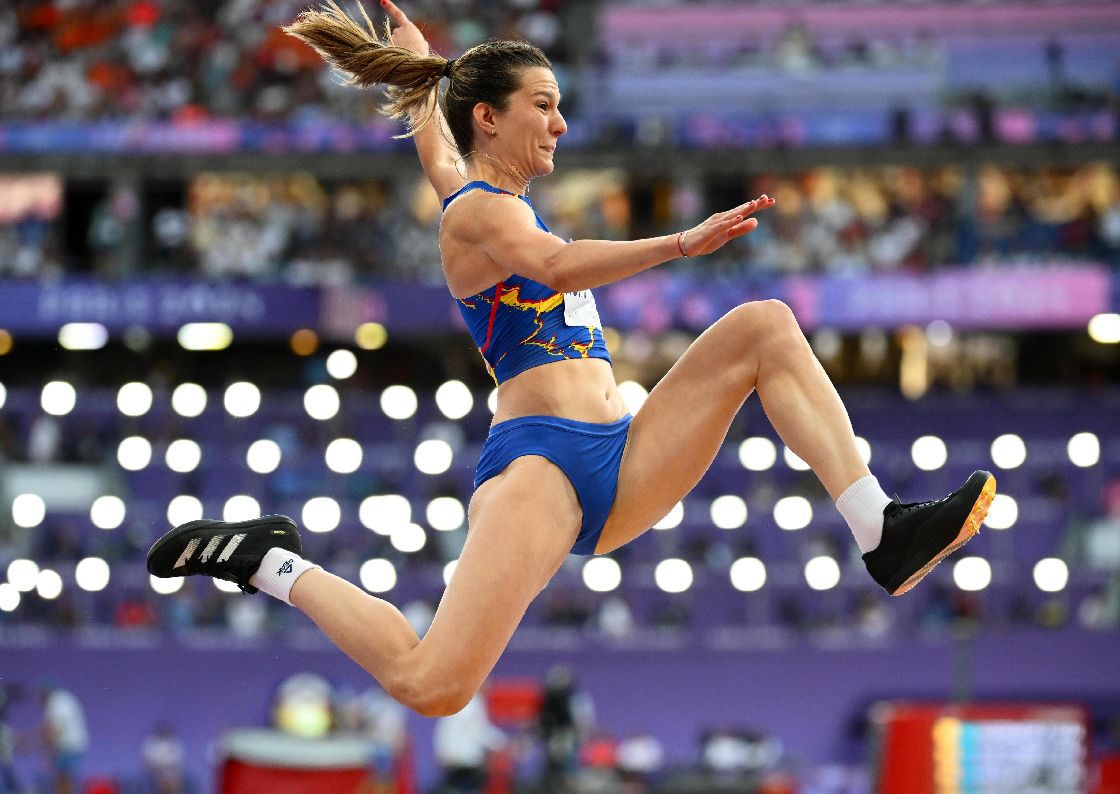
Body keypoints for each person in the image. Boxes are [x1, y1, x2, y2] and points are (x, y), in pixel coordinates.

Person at [147, 0, 996, 718]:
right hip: (541, 467)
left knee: (766, 327)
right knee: (433, 686)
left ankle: (879, 528)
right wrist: (678, 242)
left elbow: (442, 153)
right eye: (544, 105)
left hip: (621, 452)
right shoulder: (478, 218)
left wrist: (419, 83)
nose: (560, 123)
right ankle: (267, 561)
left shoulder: (485, 197)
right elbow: (551, 263)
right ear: (492, 116)